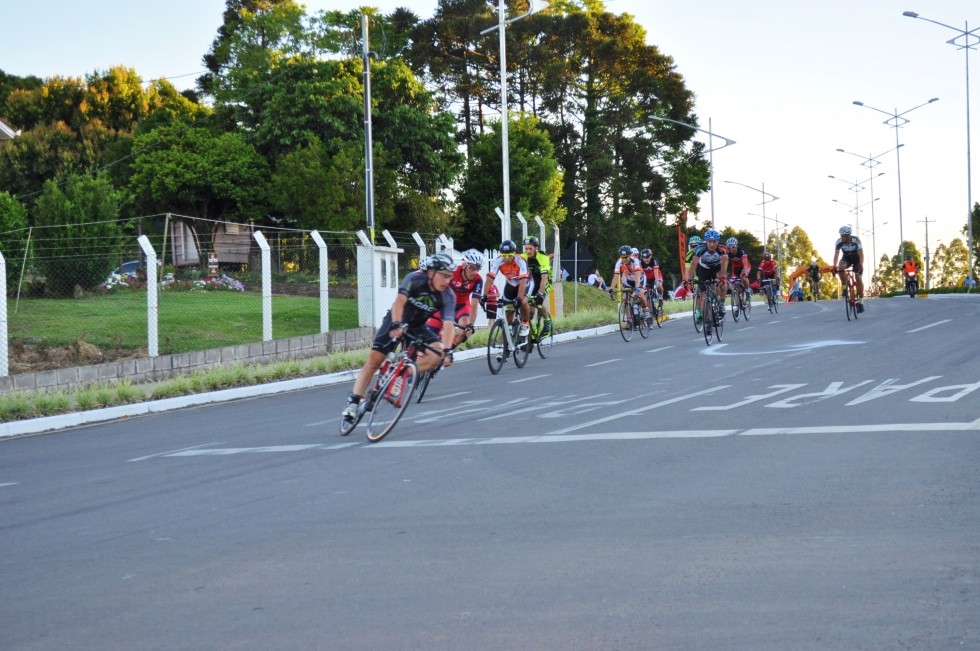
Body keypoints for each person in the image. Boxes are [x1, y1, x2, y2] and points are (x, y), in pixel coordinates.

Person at [341, 252, 457, 423]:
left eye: (450, 277)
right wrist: (396, 323)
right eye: (444, 276)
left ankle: (402, 373)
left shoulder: (448, 295)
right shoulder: (414, 279)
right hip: (397, 319)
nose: (447, 281)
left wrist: (447, 350)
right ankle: (354, 401)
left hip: (417, 327)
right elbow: (400, 302)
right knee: (375, 360)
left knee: (437, 355)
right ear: (431, 272)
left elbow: (448, 326)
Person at [424, 248, 484, 347]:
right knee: (429, 338)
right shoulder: (453, 272)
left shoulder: (478, 280)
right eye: (472, 268)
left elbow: (474, 304)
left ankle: (445, 354)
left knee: (463, 331)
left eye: (478, 268)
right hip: (444, 305)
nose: (475, 272)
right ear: (464, 265)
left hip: (461, 306)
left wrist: (471, 325)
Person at [481, 239, 531, 336]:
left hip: (524, 283)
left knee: (523, 301)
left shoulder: (520, 261)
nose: (507, 258)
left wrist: (519, 298)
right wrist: (485, 295)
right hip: (511, 285)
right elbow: (490, 279)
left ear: (514, 254)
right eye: (504, 256)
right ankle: (509, 332)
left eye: (509, 255)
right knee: (509, 309)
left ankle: (525, 323)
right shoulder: (498, 261)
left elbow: (523, 281)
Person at [685, 229, 728, 320]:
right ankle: (707, 320)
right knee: (704, 295)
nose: (712, 244)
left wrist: (722, 277)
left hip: (716, 268)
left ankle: (721, 303)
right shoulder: (700, 248)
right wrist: (689, 279)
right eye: (709, 242)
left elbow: (724, 262)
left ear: (718, 241)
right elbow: (693, 264)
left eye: (714, 241)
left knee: (723, 283)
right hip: (703, 269)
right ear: (706, 241)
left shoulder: (722, 249)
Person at [521, 236, 553, 335]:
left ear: (536, 248)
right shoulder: (523, 257)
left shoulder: (542, 258)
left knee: (536, 302)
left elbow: (544, 278)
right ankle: (531, 333)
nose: (528, 251)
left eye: (530, 248)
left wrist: (540, 294)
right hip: (531, 283)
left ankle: (548, 322)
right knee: (527, 309)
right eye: (526, 248)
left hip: (544, 282)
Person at [611, 244, 650, 317]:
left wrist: (637, 287)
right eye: (622, 257)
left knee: (640, 294)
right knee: (625, 298)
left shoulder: (635, 261)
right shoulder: (619, 262)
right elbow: (616, 276)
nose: (624, 259)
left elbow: (637, 275)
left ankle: (646, 309)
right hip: (629, 280)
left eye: (626, 257)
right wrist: (611, 289)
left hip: (640, 279)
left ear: (630, 255)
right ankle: (629, 320)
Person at [832, 225, 865, 313]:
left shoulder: (856, 240)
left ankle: (861, 302)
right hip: (846, 259)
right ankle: (845, 286)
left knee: (858, 277)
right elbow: (836, 255)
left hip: (857, 259)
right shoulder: (839, 242)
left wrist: (861, 265)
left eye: (844, 236)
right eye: (841, 236)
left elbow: (861, 254)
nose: (842, 237)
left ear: (848, 235)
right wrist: (834, 266)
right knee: (840, 267)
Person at [725, 236, 752, 304]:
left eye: (733, 247)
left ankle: (747, 291)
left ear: (736, 246)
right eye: (729, 247)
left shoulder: (742, 252)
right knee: (734, 285)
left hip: (745, 265)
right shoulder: (728, 253)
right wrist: (724, 272)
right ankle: (737, 304)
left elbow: (745, 263)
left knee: (743, 277)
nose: (731, 249)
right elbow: (725, 263)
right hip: (736, 267)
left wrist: (744, 271)